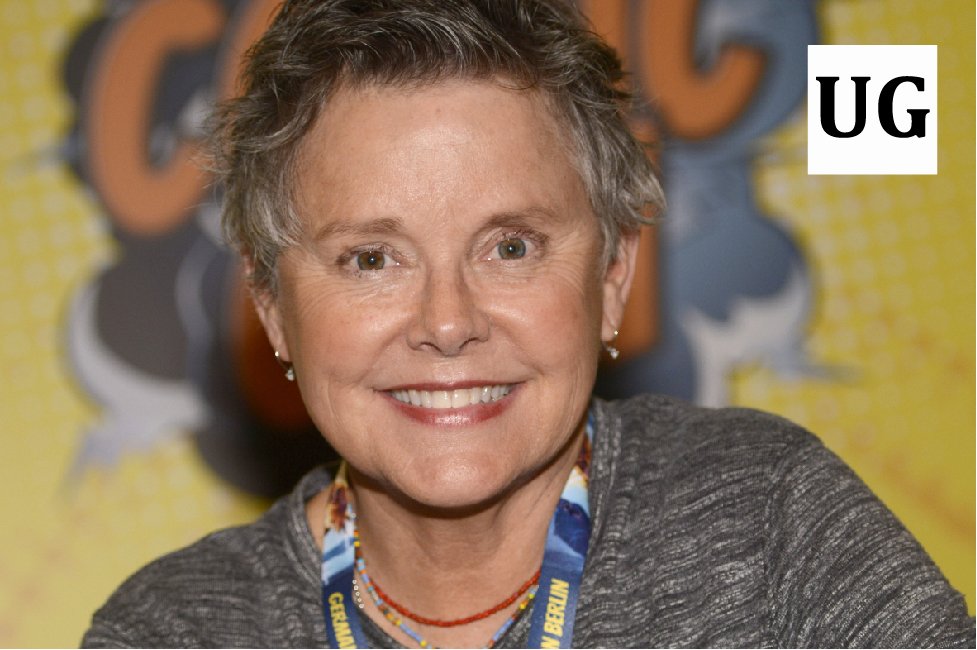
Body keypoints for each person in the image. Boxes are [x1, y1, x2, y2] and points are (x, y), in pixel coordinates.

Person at [82, 0, 973, 647]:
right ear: (272, 307)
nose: (446, 322)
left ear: (613, 274)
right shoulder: (175, 628)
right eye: (370, 258)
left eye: (509, 247)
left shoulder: (763, 517)